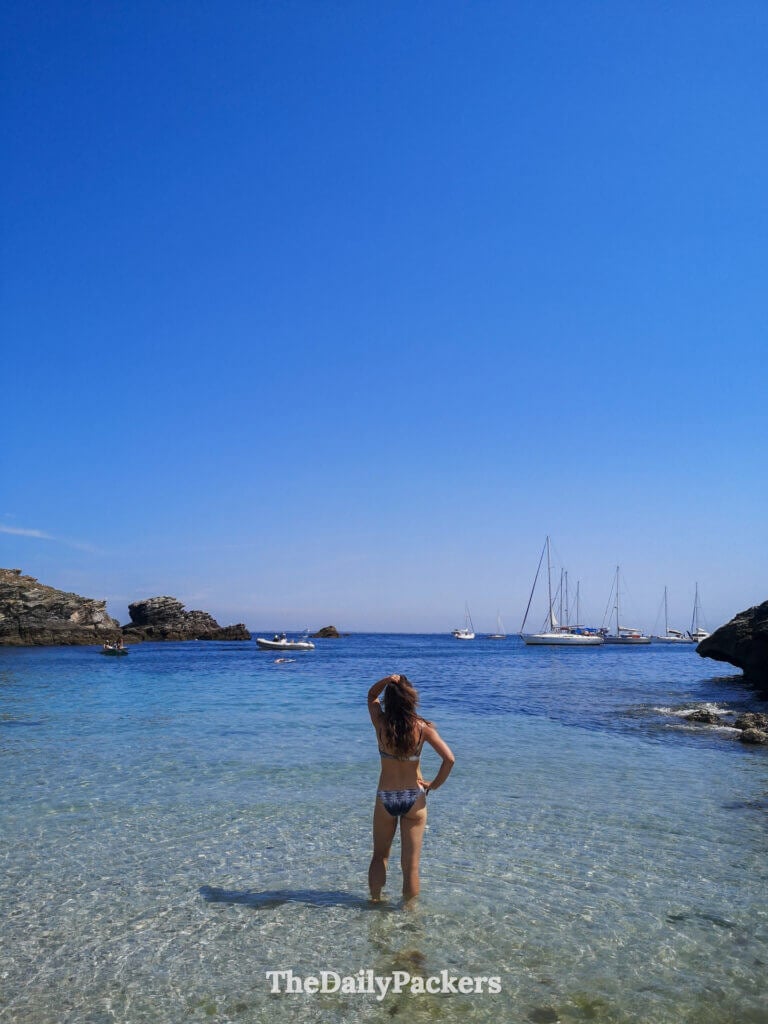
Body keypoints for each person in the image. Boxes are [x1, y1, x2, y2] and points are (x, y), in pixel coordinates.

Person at [367, 673, 455, 903]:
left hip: (385, 797)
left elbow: (371, 695)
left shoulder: (381, 723)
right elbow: (449, 760)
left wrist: (387, 680)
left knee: (379, 857)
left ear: (390, 699)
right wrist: (433, 785)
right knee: (411, 865)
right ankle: (409, 914)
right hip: (414, 797)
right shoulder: (422, 728)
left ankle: (375, 903)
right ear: (410, 699)